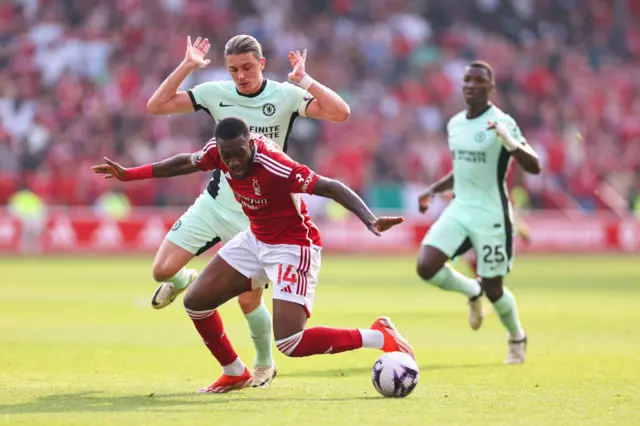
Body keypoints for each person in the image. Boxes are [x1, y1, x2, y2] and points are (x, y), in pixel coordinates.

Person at [92, 117, 412, 393]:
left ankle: (378, 336)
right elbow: (183, 162)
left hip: (292, 246)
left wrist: (370, 219)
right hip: (255, 239)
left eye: (238, 153)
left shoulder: (276, 165)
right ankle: (234, 372)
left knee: (290, 343)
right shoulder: (218, 152)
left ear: (251, 144)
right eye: (226, 156)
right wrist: (129, 174)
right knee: (196, 302)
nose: (232, 162)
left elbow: (330, 187)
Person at [143, 34, 351, 387]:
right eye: (234, 69)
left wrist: (304, 80)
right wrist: (188, 65)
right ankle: (186, 281)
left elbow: (340, 113)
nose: (241, 75)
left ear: (262, 64)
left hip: (258, 211)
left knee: (248, 299)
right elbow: (157, 105)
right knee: (162, 270)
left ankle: (263, 365)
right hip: (214, 202)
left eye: (247, 67)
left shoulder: (285, 95)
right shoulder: (214, 93)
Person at [415, 61, 541, 364]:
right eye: (467, 80)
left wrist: (510, 143)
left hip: (491, 214)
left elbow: (535, 166)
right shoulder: (455, 123)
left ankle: (516, 337)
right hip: (460, 208)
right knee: (426, 266)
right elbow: (461, 170)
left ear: (490, 87)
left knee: (495, 288)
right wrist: (432, 190)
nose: (471, 85)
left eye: (479, 81)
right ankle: (472, 291)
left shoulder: (502, 121)